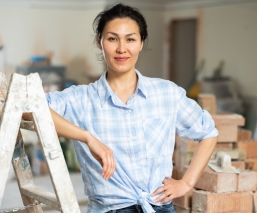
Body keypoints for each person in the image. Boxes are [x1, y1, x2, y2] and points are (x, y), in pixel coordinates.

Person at [39, 3, 218, 213]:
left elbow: (208, 132)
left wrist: (186, 183)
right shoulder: (81, 98)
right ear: (100, 41)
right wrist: (86, 137)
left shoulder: (166, 93)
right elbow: (27, 106)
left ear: (141, 43)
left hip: (159, 207)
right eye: (112, 38)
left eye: (130, 39)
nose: (122, 48)